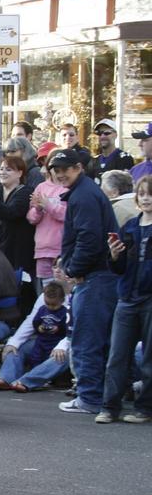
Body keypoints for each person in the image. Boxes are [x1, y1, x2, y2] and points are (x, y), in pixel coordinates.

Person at [49, 148, 119, 414]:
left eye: (65, 168)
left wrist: (74, 268)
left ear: (79, 167)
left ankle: (90, 397)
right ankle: (103, 395)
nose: (60, 174)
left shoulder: (84, 196)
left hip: (94, 276)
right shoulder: (84, 192)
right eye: (56, 170)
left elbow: (89, 239)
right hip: (98, 275)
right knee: (99, 340)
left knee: (87, 340)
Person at [98, 175, 152, 424]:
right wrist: (114, 254)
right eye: (142, 194)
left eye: (150, 194)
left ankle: (144, 408)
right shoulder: (130, 226)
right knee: (117, 355)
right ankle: (110, 407)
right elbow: (118, 268)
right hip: (127, 297)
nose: (146, 198)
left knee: (149, 359)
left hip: (149, 298)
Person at [0, 282, 69, 391]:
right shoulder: (45, 296)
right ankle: (5, 378)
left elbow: (77, 329)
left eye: (62, 268)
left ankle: (26, 381)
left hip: (65, 341)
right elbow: (32, 320)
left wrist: (62, 346)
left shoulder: (78, 296)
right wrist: (14, 342)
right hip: (43, 339)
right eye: (55, 267)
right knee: (17, 348)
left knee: (62, 356)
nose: (58, 271)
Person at [27, 154, 68, 285]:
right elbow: (31, 218)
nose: (57, 171)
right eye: (53, 167)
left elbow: (67, 215)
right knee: (47, 292)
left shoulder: (68, 187)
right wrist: (38, 209)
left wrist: (48, 205)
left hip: (62, 248)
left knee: (63, 290)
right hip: (42, 249)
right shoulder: (41, 187)